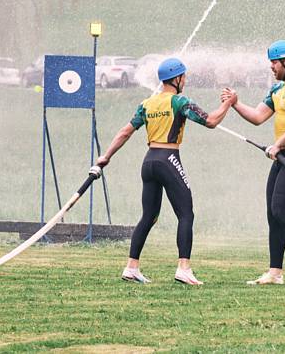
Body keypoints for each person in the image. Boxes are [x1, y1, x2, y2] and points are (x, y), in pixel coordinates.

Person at [96, 58, 236, 285]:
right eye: (184, 77)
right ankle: (184, 268)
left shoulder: (147, 104)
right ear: (178, 78)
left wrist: (106, 157)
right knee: (186, 214)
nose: (186, 80)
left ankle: (132, 267)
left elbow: (125, 132)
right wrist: (229, 103)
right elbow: (210, 121)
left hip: (149, 162)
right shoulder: (180, 101)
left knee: (148, 217)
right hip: (169, 159)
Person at [221, 40, 285, 287]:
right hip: (282, 156)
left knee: (280, 209)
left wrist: (277, 145)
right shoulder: (278, 90)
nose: (271, 68)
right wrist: (235, 103)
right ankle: (275, 272)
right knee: (272, 214)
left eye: (274, 63)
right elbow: (257, 117)